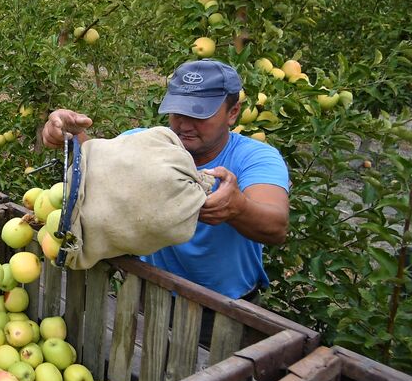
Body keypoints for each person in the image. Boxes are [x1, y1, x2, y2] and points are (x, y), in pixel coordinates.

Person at [41, 59, 289, 302]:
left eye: (200, 114)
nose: (185, 124)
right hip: (151, 293)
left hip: (227, 308)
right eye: (178, 112)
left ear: (232, 113)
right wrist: (70, 135)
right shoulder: (147, 143)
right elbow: (99, 166)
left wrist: (238, 208)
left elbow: (276, 226)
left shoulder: (254, 157)